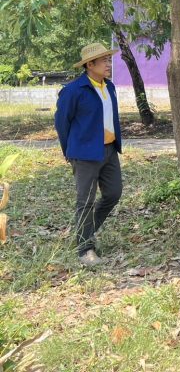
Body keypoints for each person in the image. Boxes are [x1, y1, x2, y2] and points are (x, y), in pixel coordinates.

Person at [55, 43, 123, 267]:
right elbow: (62, 123)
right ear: (90, 65)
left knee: (113, 193)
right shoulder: (74, 90)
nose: (108, 64)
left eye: (108, 60)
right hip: (84, 154)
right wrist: (70, 152)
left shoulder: (109, 87)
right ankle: (85, 249)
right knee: (85, 201)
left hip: (109, 150)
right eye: (104, 61)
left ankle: (84, 232)